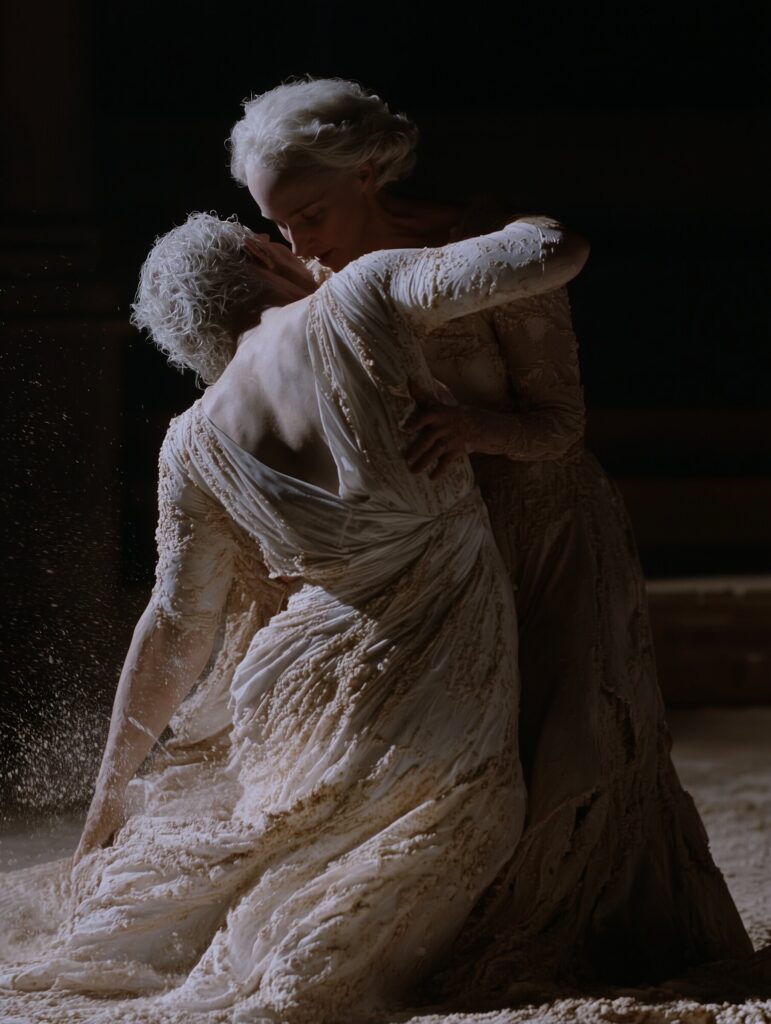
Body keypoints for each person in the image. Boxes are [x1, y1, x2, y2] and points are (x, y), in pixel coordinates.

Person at [228, 77, 754, 993]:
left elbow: (561, 427)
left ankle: (592, 945)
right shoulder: (309, 276)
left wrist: (473, 429)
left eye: (310, 215)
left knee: (564, 750)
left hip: (543, 529)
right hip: (430, 552)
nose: (299, 243)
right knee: (449, 762)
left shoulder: (481, 246)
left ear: (366, 172)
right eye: (280, 223)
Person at [1, 211, 591, 1024]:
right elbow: (555, 250)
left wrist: (107, 797)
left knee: (298, 842)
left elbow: (174, 629)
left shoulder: (189, 441)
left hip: (295, 675)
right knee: (445, 827)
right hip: (421, 662)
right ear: (259, 253)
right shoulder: (363, 291)